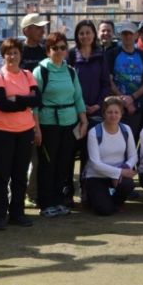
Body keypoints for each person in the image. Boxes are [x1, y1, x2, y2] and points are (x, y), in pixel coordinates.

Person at [0, 38, 40, 230]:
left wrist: (16, 99)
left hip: (25, 130)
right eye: (8, 53)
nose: (12, 56)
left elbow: (38, 100)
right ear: (3, 55)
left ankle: (17, 213)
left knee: (20, 175)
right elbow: (2, 104)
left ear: (21, 55)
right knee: (2, 175)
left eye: (16, 52)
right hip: (1, 131)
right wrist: (25, 100)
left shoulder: (27, 75)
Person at [33, 31, 88, 218]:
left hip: (69, 123)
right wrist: (36, 127)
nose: (59, 51)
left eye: (63, 47)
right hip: (48, 124)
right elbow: (34, 103)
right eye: (54, 48)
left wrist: (83, 119)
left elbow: (78, 97)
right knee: (48, 164)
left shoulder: (71, 71)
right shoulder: (40, 71)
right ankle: (46, 203)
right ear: (48, 50)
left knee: (64, 164)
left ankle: (59, 200)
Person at [68, 20, 111, 205]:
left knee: (90, 155)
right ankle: (67, 192)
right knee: (69, 154)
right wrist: (80, 106)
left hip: (94, 113)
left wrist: (98, 105)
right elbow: (67, 82)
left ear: (94, 35)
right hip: (74, 113)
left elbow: (105, 84)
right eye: (81, 33)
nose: (85, 36)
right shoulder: (70, 55)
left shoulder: (100, 56)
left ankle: (87, 192)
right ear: (77, 36)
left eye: (88, 32)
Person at [84, 96, 138, 215]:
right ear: (103, 113)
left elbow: (133, 155)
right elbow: (95, 164)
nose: (113, 115)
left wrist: (124, 168)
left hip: (118, 174)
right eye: (109, 112)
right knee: (104, 211)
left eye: (116, 112)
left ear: (121, 113)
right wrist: (120, 172)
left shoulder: (126, 129)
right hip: (97, 176)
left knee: (128, 184)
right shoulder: (94, 132)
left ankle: (116, 202)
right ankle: (94, 196)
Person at [105, 21, 143, 135]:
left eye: (130, 33)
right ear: (121, 35)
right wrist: (123, 99)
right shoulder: (112, 54)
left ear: (136, 35)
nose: (127, 36)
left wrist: (132, 98)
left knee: (134, 140)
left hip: (137, 106)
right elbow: (109, 80)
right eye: (124, 34)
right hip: (116, 107)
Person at [20, 13, 48, 203]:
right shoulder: (17, 50)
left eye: (42, 27)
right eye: (38, 27)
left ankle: (34, 193)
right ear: (26, 30)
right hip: (19, 108)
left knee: (37, 157)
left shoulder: (44, 51)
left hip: (40, 108)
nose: (42, 30)